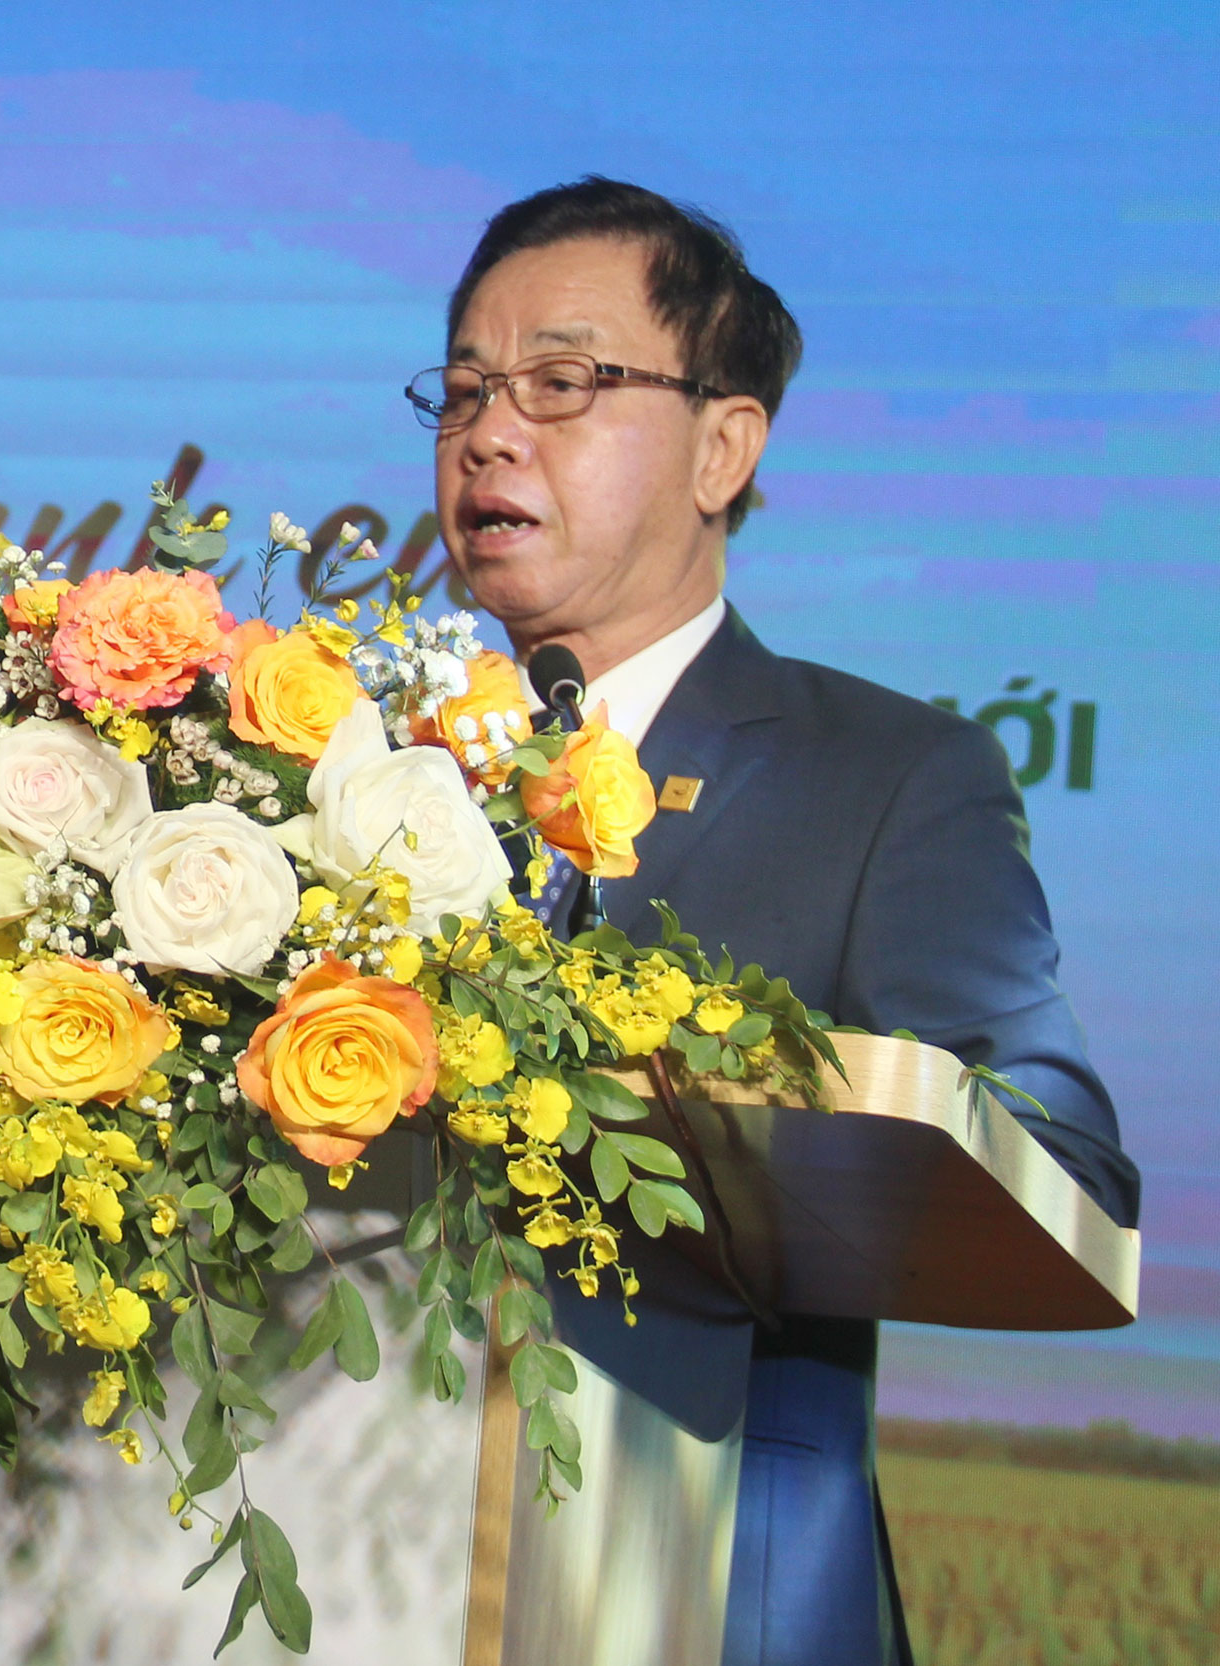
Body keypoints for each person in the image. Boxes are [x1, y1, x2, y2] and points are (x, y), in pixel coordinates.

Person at [420, 177, 1140, 1666]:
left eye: (562, 383)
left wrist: (700, 1097)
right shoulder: (347, 781)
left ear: (724, 447)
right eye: (466, 390)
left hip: (716, 1595)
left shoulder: (887, 779)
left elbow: (1063, 1156)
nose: (490, 433)